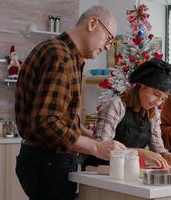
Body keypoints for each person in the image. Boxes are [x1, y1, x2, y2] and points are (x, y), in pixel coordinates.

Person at [14, 6, 127, 200]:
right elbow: (46, 124)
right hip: (48, 164)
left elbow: (58, 118)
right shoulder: (60, 57)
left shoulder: (61, 53)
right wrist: (96, 148)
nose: (108, 46)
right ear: (93, 23)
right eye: (109, 38)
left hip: (42, 162)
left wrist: (86, 133)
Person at [83, 58, 171, 170]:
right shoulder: (116, 105)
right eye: (156, 94)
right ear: (142, 85)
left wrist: (167, 156)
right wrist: (139, 153)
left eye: (162, 99)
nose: (157, 102)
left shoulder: (153, 114)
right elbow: (101, 146)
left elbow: (158, 149)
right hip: (98, 171)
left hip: (126, 171)